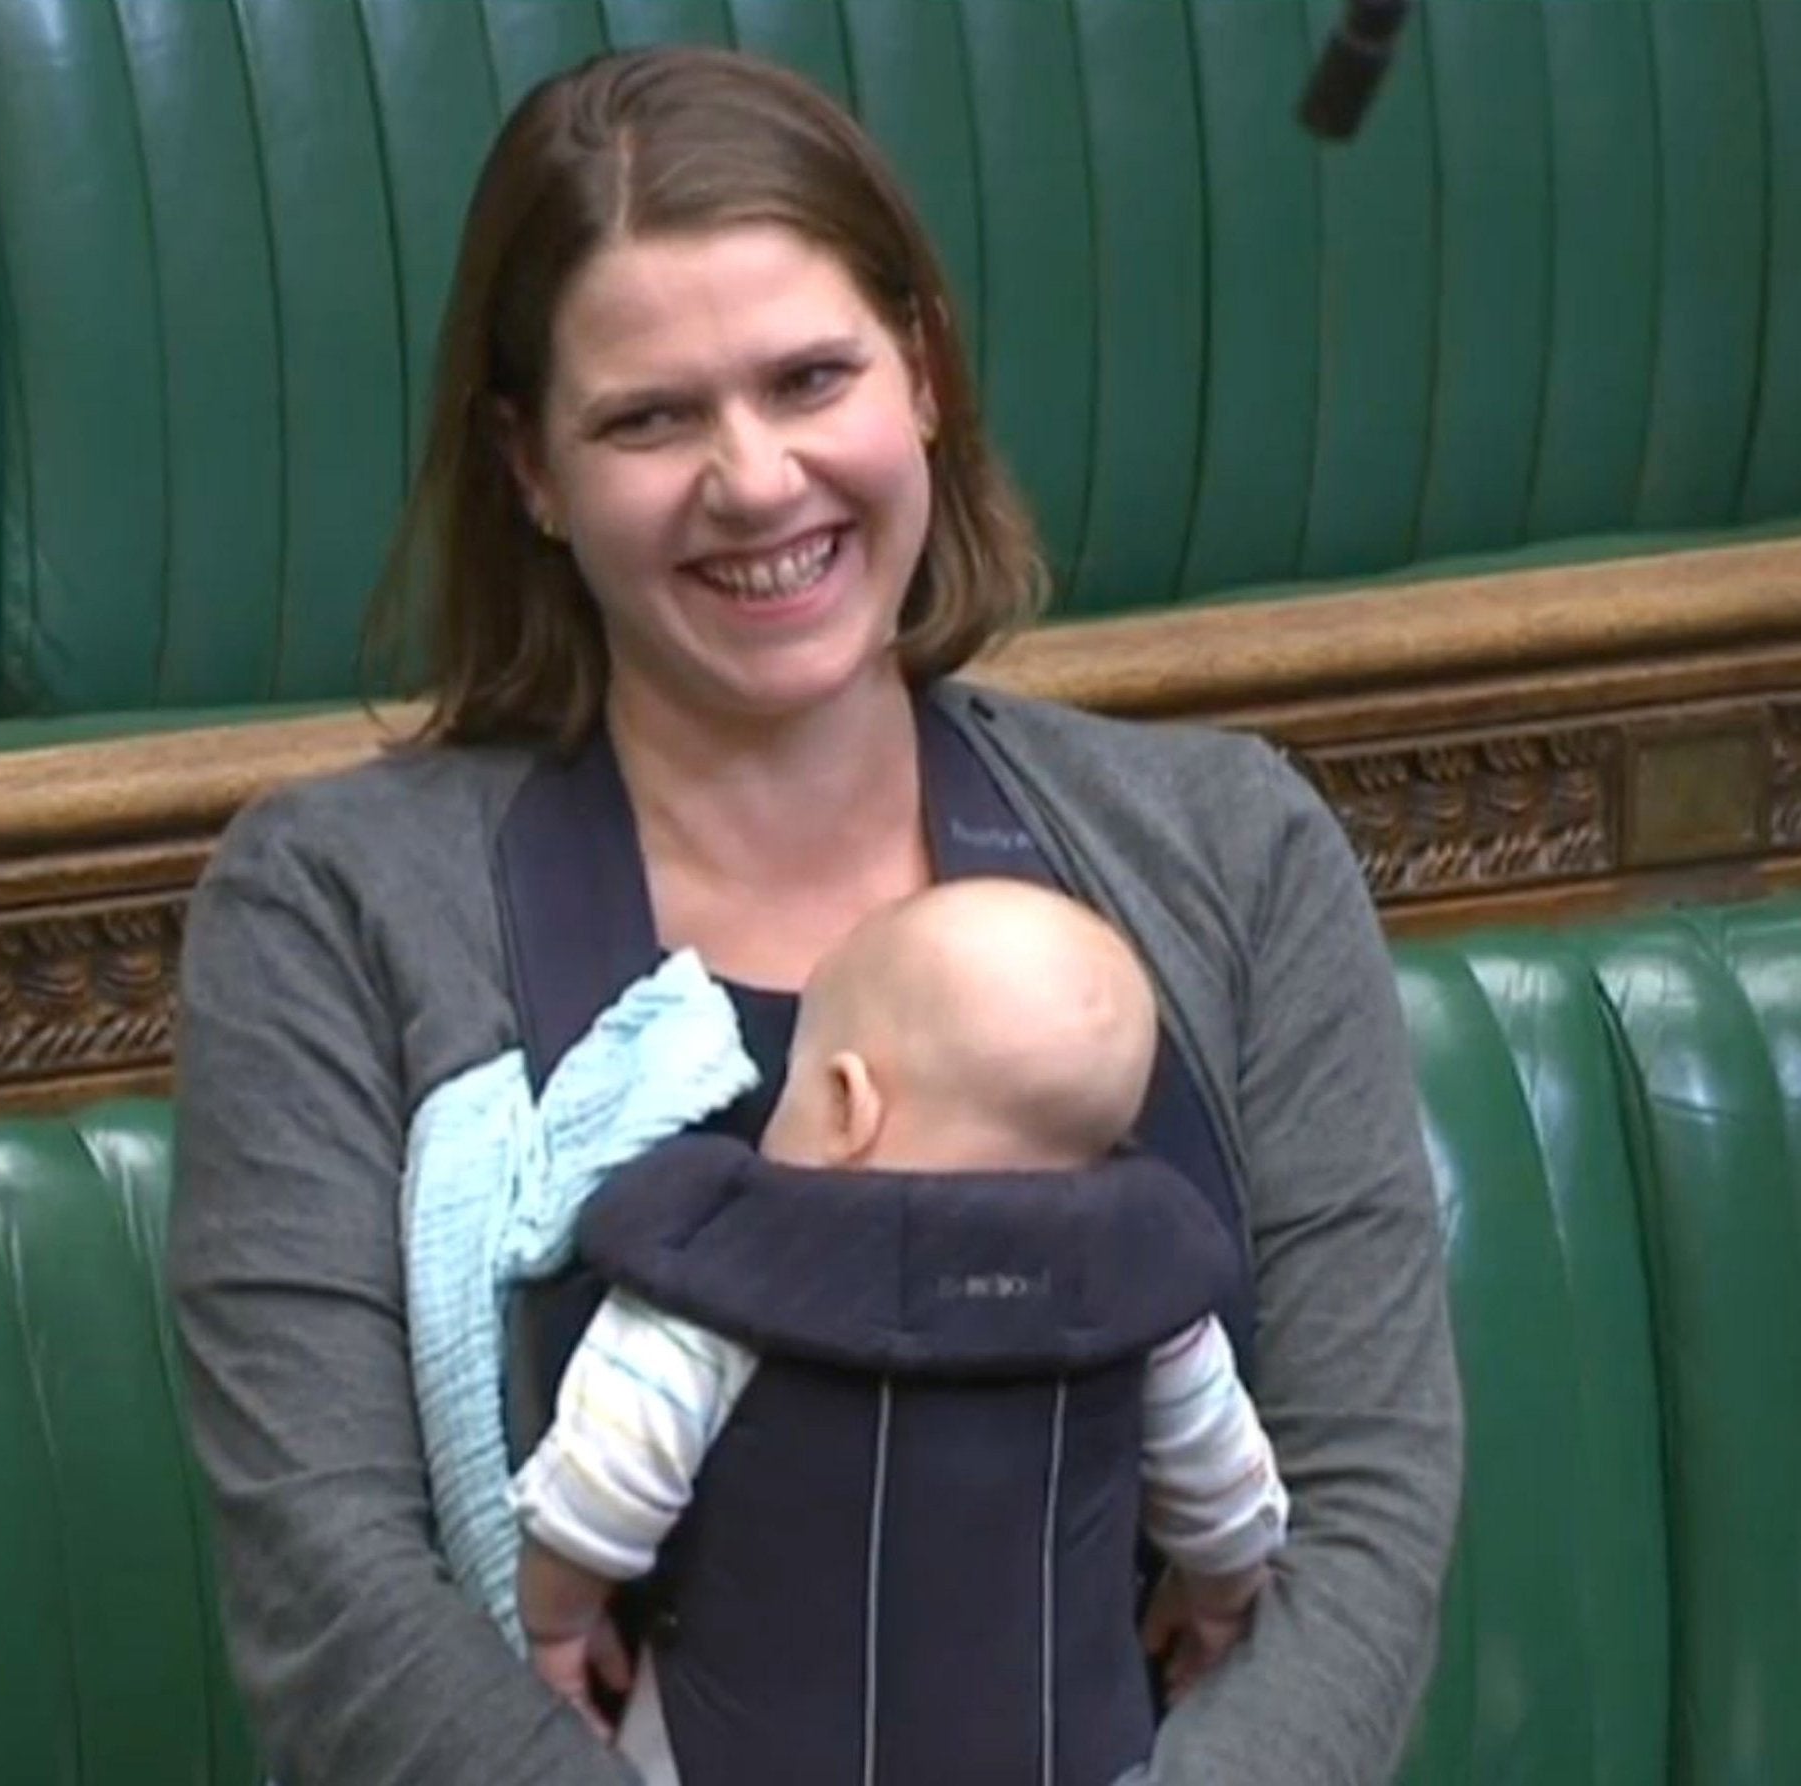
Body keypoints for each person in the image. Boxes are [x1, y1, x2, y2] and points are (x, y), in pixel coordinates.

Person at [169, 40, 1460, 1786]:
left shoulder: (1232, 850)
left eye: (808, 378)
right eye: (648, 418)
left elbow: (1362, 1506)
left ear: (920, 374)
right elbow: (338, 1592)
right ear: (530, 470)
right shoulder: (330, 908)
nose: (756, 479)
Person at [510, 878, 1292, 1783]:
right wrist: (1219, 1604)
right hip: (1063, 1749)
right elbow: (1228, 1502)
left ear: (847, 1101)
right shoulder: (1142, 1291)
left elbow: (593, 1493)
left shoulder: (728, 1271)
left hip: (735, 1748)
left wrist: (558, 1623)